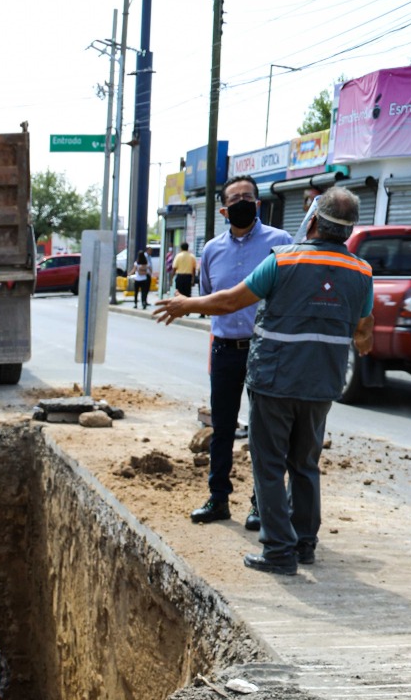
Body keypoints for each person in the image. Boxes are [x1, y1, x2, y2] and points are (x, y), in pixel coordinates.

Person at [154, 186, 374, 576]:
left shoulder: (285, 259)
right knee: (305, 463)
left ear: (315, 221)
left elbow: (229, 301)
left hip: (275, 379)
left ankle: (278, 551)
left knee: (269, 464)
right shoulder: (361, 272)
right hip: (322, 382)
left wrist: (186, 304)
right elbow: (364, 334)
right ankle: (304, 543)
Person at [190, 176, 293, 530]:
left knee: (265, 430)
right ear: (223, 209)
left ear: (259, 204)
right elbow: (209, 298)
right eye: (235, 199)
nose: (242, 203)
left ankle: (261, 505)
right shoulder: (211, 250)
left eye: (248, 197)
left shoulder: (281, 243)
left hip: (264, 348)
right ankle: (218, 498)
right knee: (222, 427)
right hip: (224, 350)